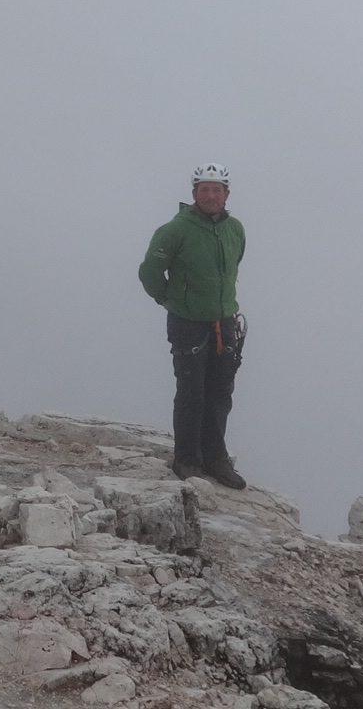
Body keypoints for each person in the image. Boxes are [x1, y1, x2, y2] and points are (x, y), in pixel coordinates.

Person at [138, 163, 248, 490]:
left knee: (220, 394)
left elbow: (234, 265)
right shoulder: (175, 230)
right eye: (205, 189)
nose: (211, 195)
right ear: (194, 194)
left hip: (224, 322)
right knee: (191, 393)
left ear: (227, 194)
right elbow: (150, 273)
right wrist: (171, 302)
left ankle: (216, 459)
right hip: (188, 324)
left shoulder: (235, 229)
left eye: (217, 190)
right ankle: (186, 459)